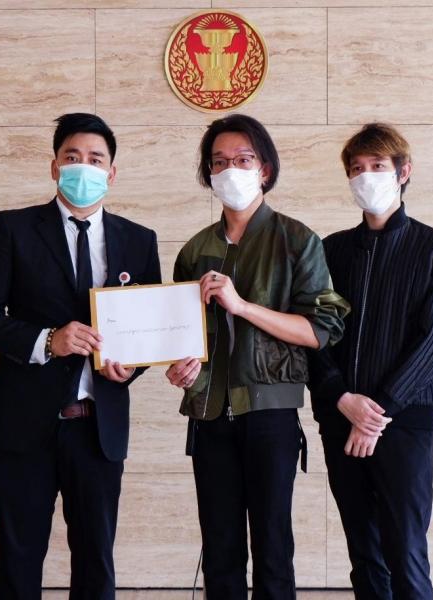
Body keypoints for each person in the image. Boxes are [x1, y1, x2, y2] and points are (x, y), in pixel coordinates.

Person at [0, 113, 161, 600]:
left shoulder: (139, 240)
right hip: (22, 426)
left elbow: (148, 330)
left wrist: (131, 367)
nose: (83, 167)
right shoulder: (13, 228)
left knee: (96, 564)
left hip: (98, 428)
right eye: (73, 156)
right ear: (54, 166)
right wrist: (46, 341)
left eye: (96, 159)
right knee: (19, 563)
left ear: (112, 172)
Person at [165, 113, 348, 600]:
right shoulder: (195, 250)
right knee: (220, 550)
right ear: (208, 173)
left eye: (243, 159)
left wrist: (243, 306)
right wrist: (180, 367)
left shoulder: (297, 240)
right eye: (219, 162)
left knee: (272, 548)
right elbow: (182, 336)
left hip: (270, 414)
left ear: (264, 169)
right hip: (209, 415)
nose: (231, 170)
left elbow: (322, 329)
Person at [307, 123, 433, 599]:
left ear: (403, 172)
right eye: (356, 168)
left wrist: (376, 413)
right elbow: (315, 334)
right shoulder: (331, 250)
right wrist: (342, 398)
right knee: (364, 554)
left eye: (377, 166)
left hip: (403, 424)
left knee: (406, 551)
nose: (366, 177)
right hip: (340, 418)